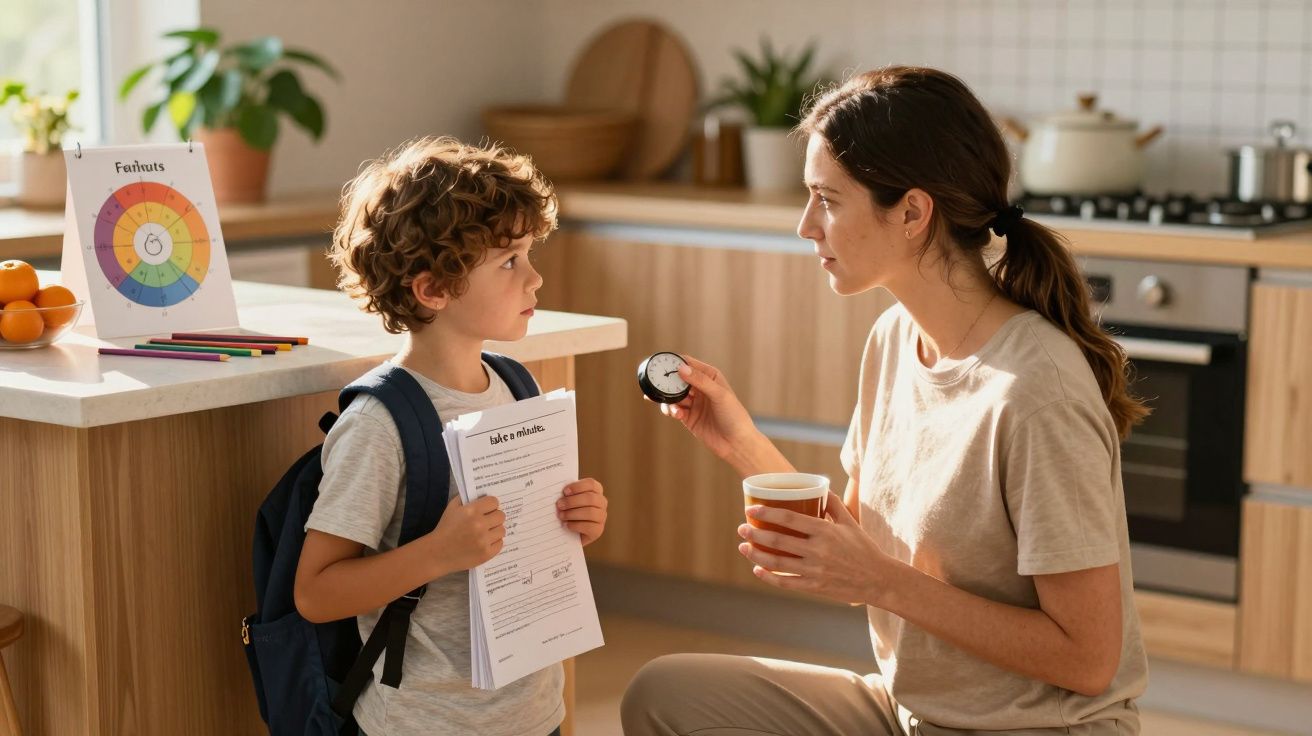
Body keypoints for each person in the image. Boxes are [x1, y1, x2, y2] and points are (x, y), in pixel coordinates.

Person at [621, 66, 1149, 736]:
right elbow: (861, 556)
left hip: (1037, 728)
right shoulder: (895, 340)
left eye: (828, 200)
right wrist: (742, 443)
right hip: (909, 714)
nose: (805, 226)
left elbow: (1088, 659)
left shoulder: (1037, 389)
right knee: (663, 695)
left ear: (912, 212)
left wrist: (884, 584)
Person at [293, 137, 609, 736]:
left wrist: (575, 520)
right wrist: (439, 553)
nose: (536, 278)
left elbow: (522, 545)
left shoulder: (518, 388)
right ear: (433, 289)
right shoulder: (378, 425)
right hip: (423, 723)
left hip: (534, 712)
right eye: (509, 261)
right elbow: (316, 593)